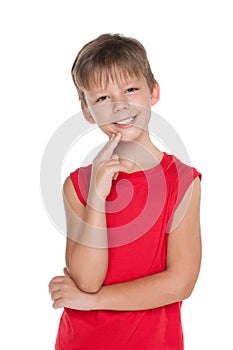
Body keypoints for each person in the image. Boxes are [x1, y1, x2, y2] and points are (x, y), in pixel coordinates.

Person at [49, 33, 202, 350]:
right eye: (103, 98)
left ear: (153, 92)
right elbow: (88, 280)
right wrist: (96, 198)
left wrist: (93, 301)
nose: (119, 105)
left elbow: (180, 283)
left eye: (130, 90)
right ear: (88, 111)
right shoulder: (77, 186)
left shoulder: (182, 181)